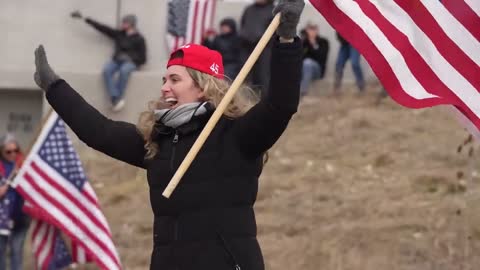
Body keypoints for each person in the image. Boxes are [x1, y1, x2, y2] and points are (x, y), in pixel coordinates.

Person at [33, 0, 304, 269]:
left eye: (175, 80)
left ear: (203, 87)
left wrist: (287, 39)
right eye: (164, 80)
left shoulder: (238, 134)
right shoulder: (157, 141)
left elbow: (280, 104)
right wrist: (55, 88)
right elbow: (99, 131)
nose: (165, 88)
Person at [71, 11, 147, 112]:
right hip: (117, 60)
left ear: (131, 24)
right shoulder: (119, 34)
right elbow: (103, 28)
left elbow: (143, 59)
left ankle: (118, 98)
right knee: (107, 70)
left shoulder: (139, 39)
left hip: (131, 63)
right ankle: (115, 97)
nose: (122, 24)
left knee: (124, 71)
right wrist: (86, 19)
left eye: (125, 22)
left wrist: (130, 58)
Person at [0, 134, 29, 270]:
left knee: (16, 252)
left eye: (15, 151)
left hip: (20, 219)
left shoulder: (23, 165)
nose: (12, 154)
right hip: (1, 220)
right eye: (8, 151)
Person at [239, 0, 275, 96]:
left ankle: (263, 101)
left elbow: (276, 32)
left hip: (265, 49)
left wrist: (261, 39)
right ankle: (245, 99)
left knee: (263, 76)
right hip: (247, 48)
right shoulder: (249, 9)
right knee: (245, 76)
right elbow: (243, 24)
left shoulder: (273, 10)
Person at [299, 22, 330, 96]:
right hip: (304, 70)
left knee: (307, 62)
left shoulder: (323, 42)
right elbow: (299, 57)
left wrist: (312, 43)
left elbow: (322, 58)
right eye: (310, 29)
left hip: (317, 71)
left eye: (313, 29)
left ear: (317, 30)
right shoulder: (303, 42)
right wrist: (304, 41)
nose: (312, 31)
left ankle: (303, 91)